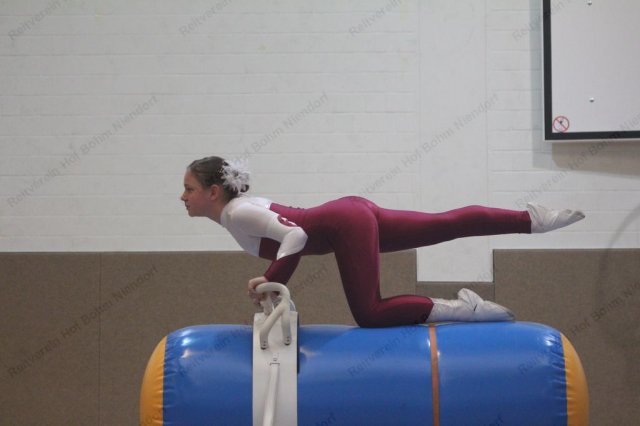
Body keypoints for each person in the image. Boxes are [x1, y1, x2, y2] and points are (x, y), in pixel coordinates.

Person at [180, 156, 585, 328]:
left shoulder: (237, 213)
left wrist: (271, 278)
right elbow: (294, 238)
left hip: (344, 224)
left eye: (189, 189)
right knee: (442, 225)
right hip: (350, 215)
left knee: (370, 313)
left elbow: (297, 235)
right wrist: (272, 282)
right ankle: (532, 221)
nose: (183, 197)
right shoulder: (239, 212)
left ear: (214, 192)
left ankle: (465, 309)